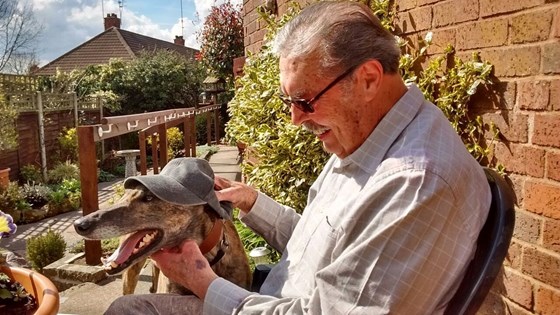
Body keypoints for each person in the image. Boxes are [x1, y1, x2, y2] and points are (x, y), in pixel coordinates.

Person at [105, 1, 491, 314]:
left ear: (369, 79)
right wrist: (254, 203)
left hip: (282, 306)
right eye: (289, 101)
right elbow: (325, 244)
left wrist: (205, 284)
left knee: (128, 311)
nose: (295, 119)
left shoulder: (416, 182)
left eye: (304, 101)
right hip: (277, 294)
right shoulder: (369, 139)